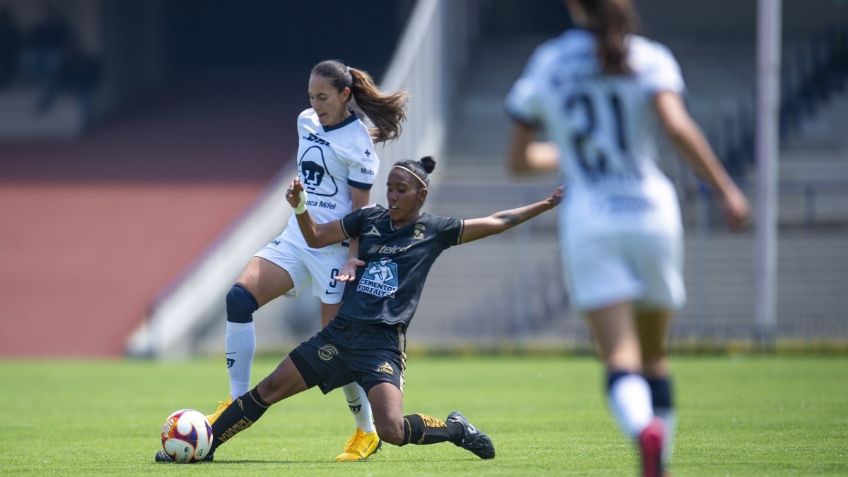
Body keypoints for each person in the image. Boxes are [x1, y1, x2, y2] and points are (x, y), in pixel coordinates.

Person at [155, 156, 564, 463]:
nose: (393, 196)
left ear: (422, 195)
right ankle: (206, 447)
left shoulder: (435, 231)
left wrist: (543, 205)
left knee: (393, 430)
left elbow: (498, 220)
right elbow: (315, 238)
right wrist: (299, 207)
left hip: (382, 345)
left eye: (402, 190)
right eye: (390, 188)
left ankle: (457, 429)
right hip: (341, 333)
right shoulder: (369, 219)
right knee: (269, 389)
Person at [504, 1, 750, 476]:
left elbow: (517, 159)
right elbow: (677, 127)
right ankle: (661, 460)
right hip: (653, 211)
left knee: (619, 355)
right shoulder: (649, 56)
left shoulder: (549, 61)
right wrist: (727, 190)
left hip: (591, 217)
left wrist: (572, 150)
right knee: (655, 355)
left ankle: (643, 431)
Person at [209, 59, 408, 462]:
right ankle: (233, 401)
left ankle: (366, 432)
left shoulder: (359, 148)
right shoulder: (306, 121)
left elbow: (360, 214)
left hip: (334, 250)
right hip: (296, 240)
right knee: (238, 299)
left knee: (338, 348)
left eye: (322, 97)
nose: (314, 104)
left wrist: (354, 260)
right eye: (310, 96)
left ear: (344, 95)